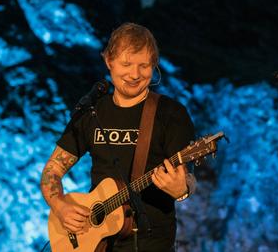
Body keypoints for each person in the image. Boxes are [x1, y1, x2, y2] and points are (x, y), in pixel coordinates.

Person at [40, 22, 196, 251]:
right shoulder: (92, 112)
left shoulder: (170, 113)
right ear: (109, 61)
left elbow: (188, 178)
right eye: (126, 64)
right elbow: (52, 170)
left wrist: (181, 191)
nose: (135, 74)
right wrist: (60, 206)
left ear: (154, 66)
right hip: (96, 244)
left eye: (144, 66)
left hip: (151, 244)